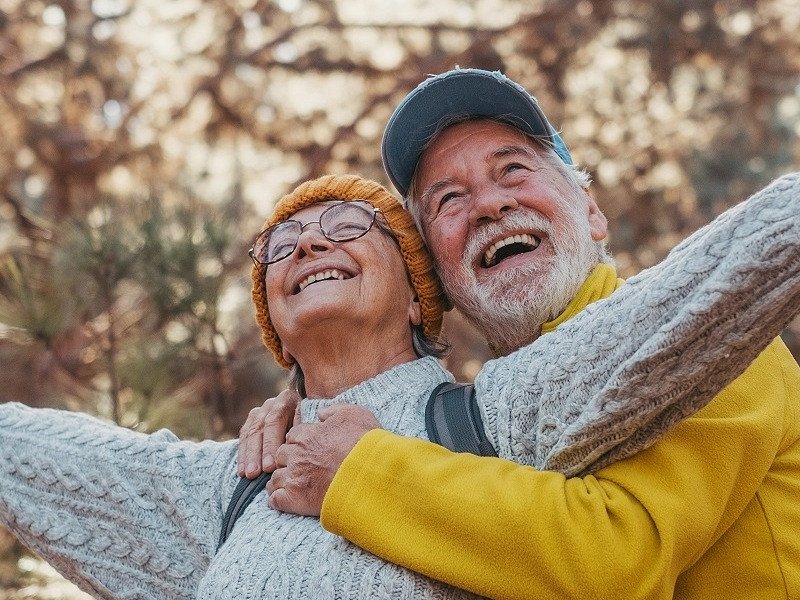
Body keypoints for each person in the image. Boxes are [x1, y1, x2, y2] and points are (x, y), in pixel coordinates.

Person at [1, 172, 797, 600]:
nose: (309, 238)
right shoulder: (230, 486)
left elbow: (691, 296)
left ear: (421, 293)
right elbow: (25, 451)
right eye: (281, 242)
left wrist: (363, 467)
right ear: (272, 324)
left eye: (351, 225)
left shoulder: (497, 413)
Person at [239, 69, 800, 599]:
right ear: (434, 273)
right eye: (448, 199)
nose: (490, 204)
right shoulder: (475, 417)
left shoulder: (700, 329)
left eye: (513, 170)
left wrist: (361, 472)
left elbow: (618, 562)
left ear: (590, 211)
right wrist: (311, 399)